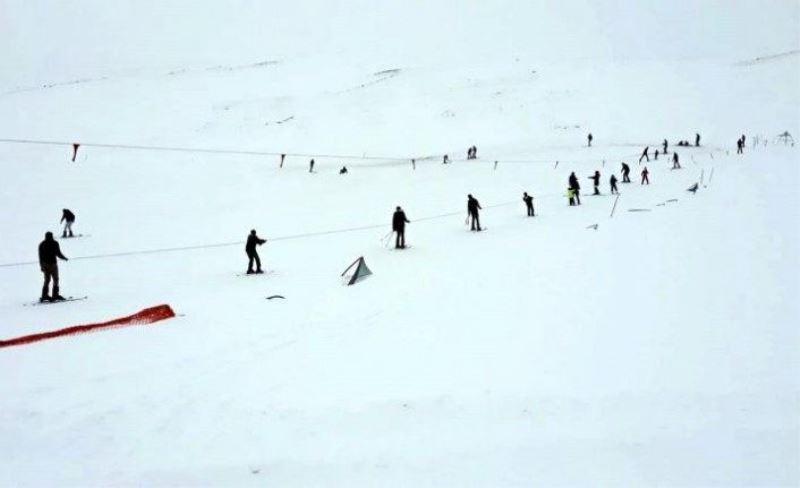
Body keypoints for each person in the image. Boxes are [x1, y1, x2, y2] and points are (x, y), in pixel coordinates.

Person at [38, 231, 68, 302]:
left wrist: (41, 266)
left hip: (45, 264)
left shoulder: (42, 244)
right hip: (53, 264)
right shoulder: (54, 243)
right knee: (56, 279)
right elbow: (58, 253)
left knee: (47, 280)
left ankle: (44, 295)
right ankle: (55, 295)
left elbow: (40, 256)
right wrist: (64, 258)